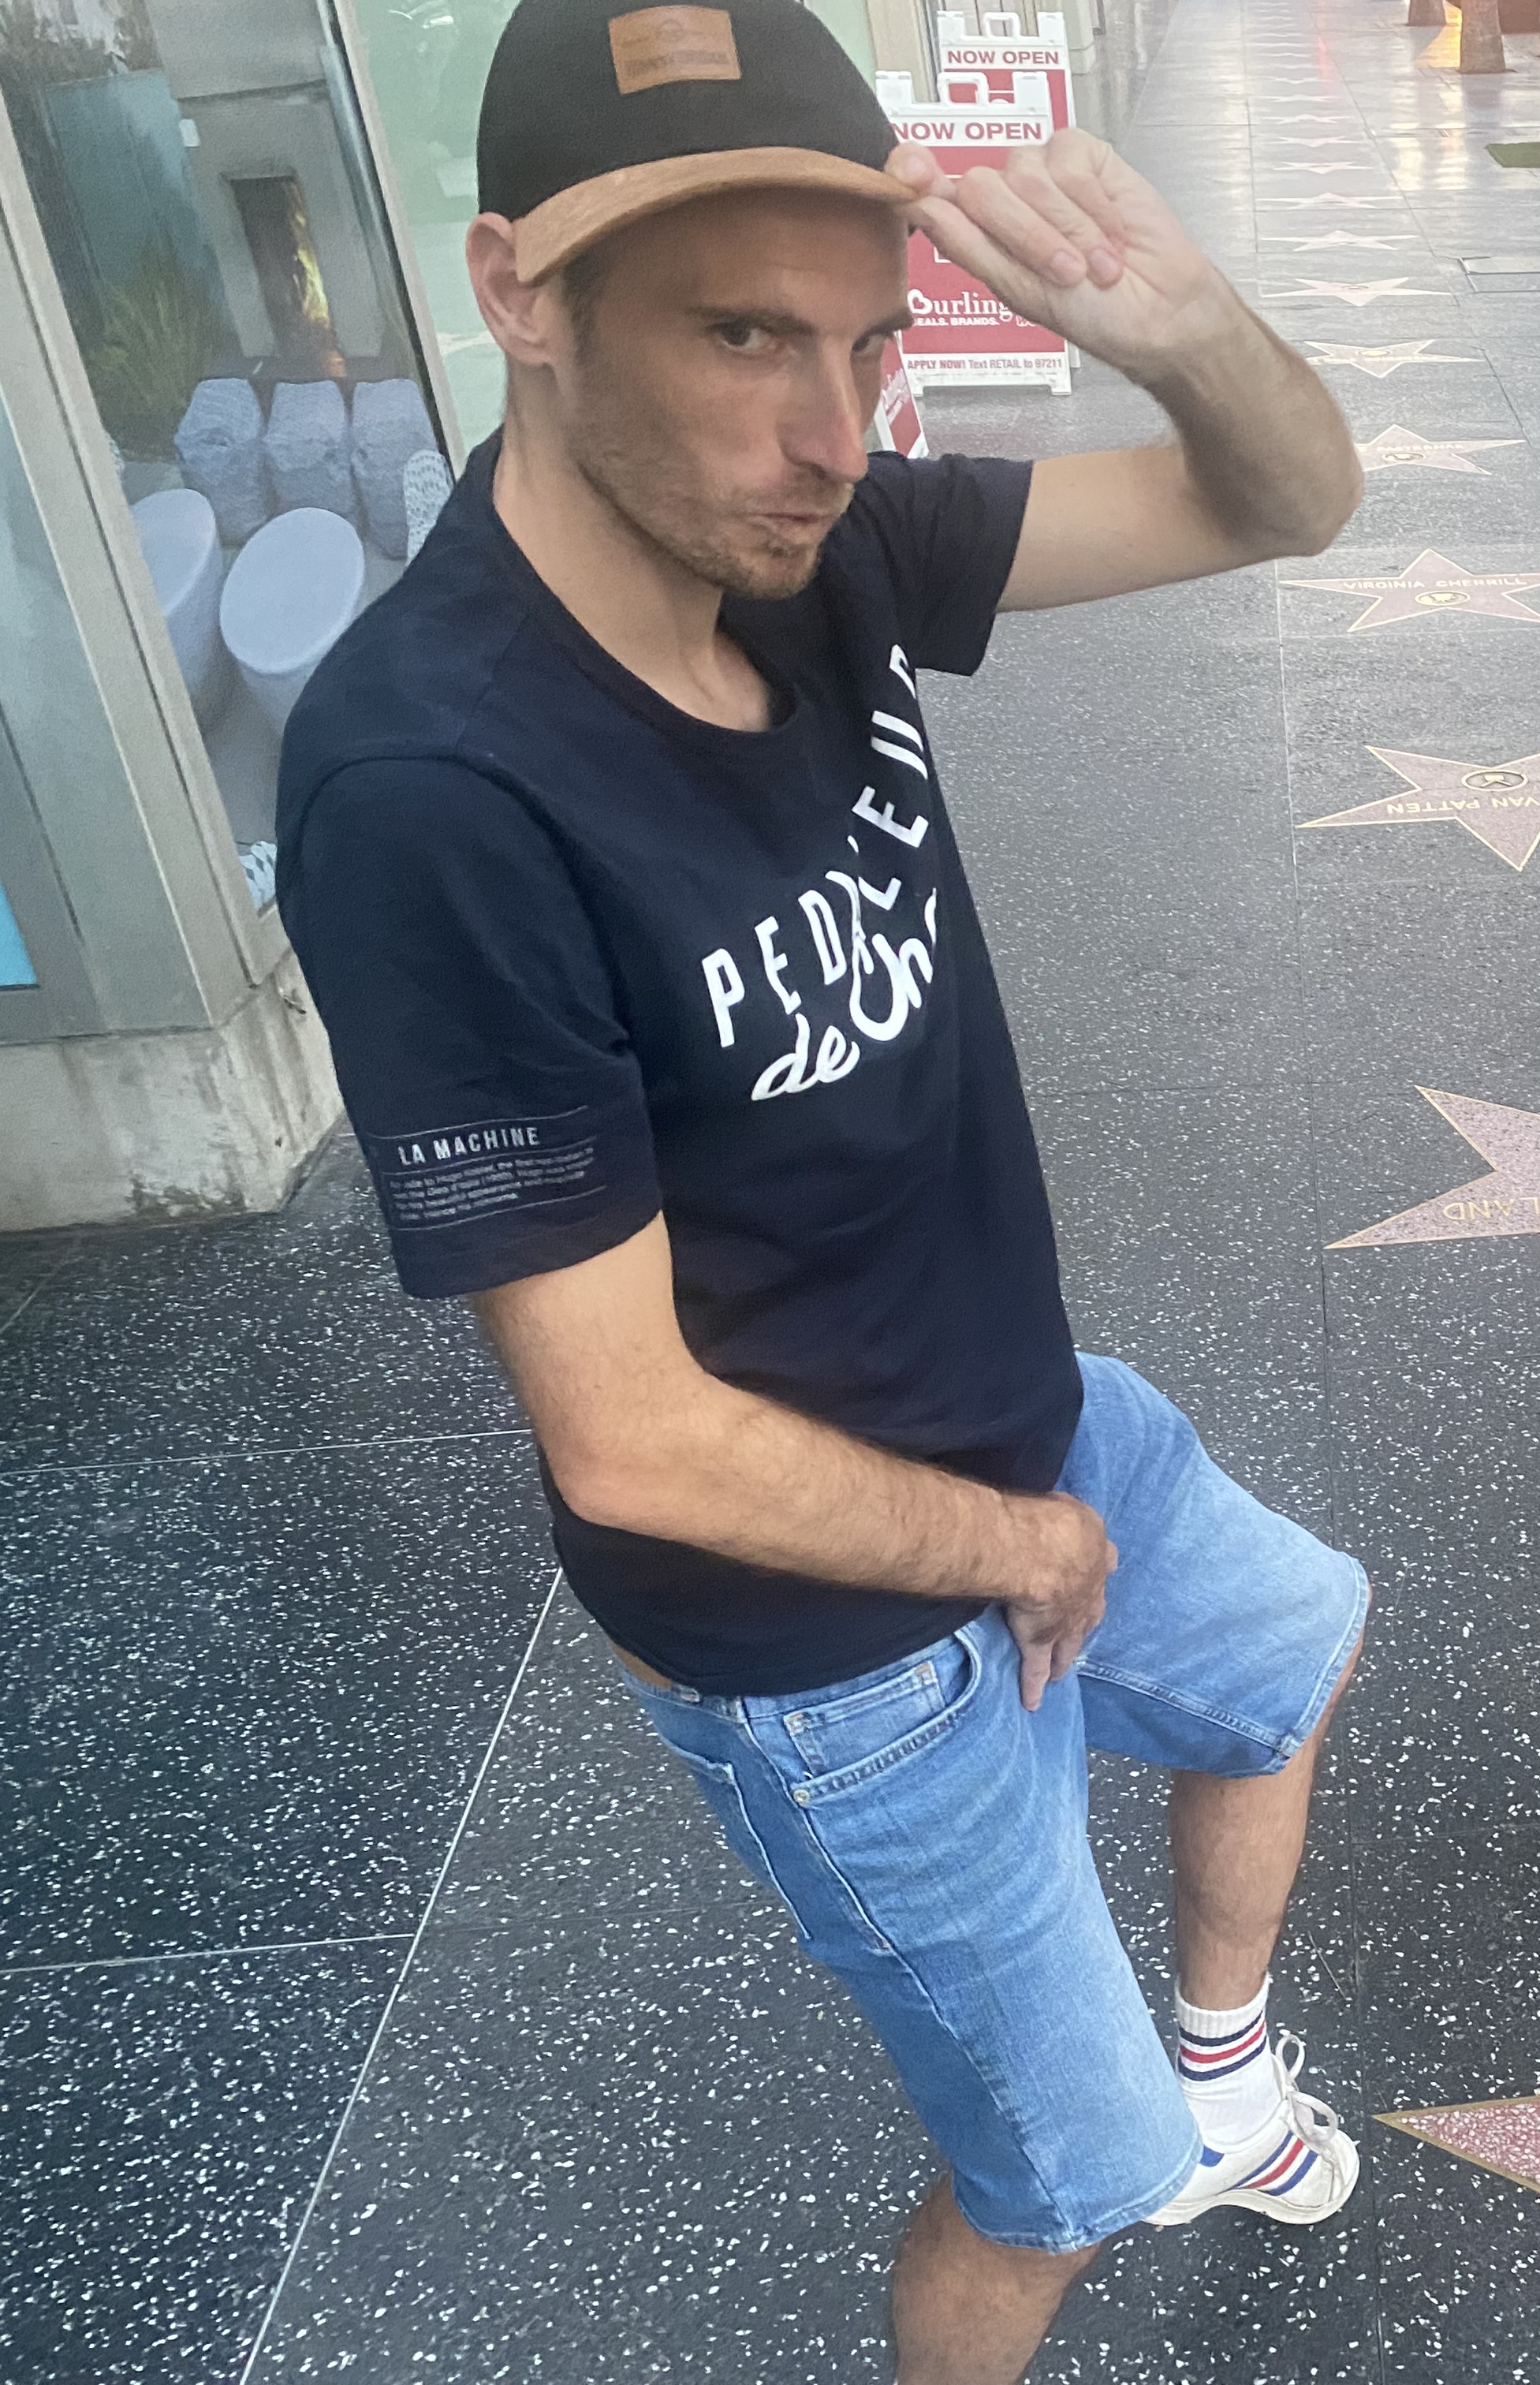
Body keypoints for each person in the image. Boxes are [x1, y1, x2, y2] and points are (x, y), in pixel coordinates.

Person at [270, 4, 1367, 2378]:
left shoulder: (820, 544)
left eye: (866, 343)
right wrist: (1021, 1551)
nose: (822, 431)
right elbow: (630, 1437)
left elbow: (1285, 500)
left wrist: (1184, 333)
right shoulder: (433, 776)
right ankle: (1131, 2126)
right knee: (1046, 2198)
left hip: (1030, 1422)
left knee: (1288, 1654)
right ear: (518, 293)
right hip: (826, 1648)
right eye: (742, 334)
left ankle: (1221, 2063)